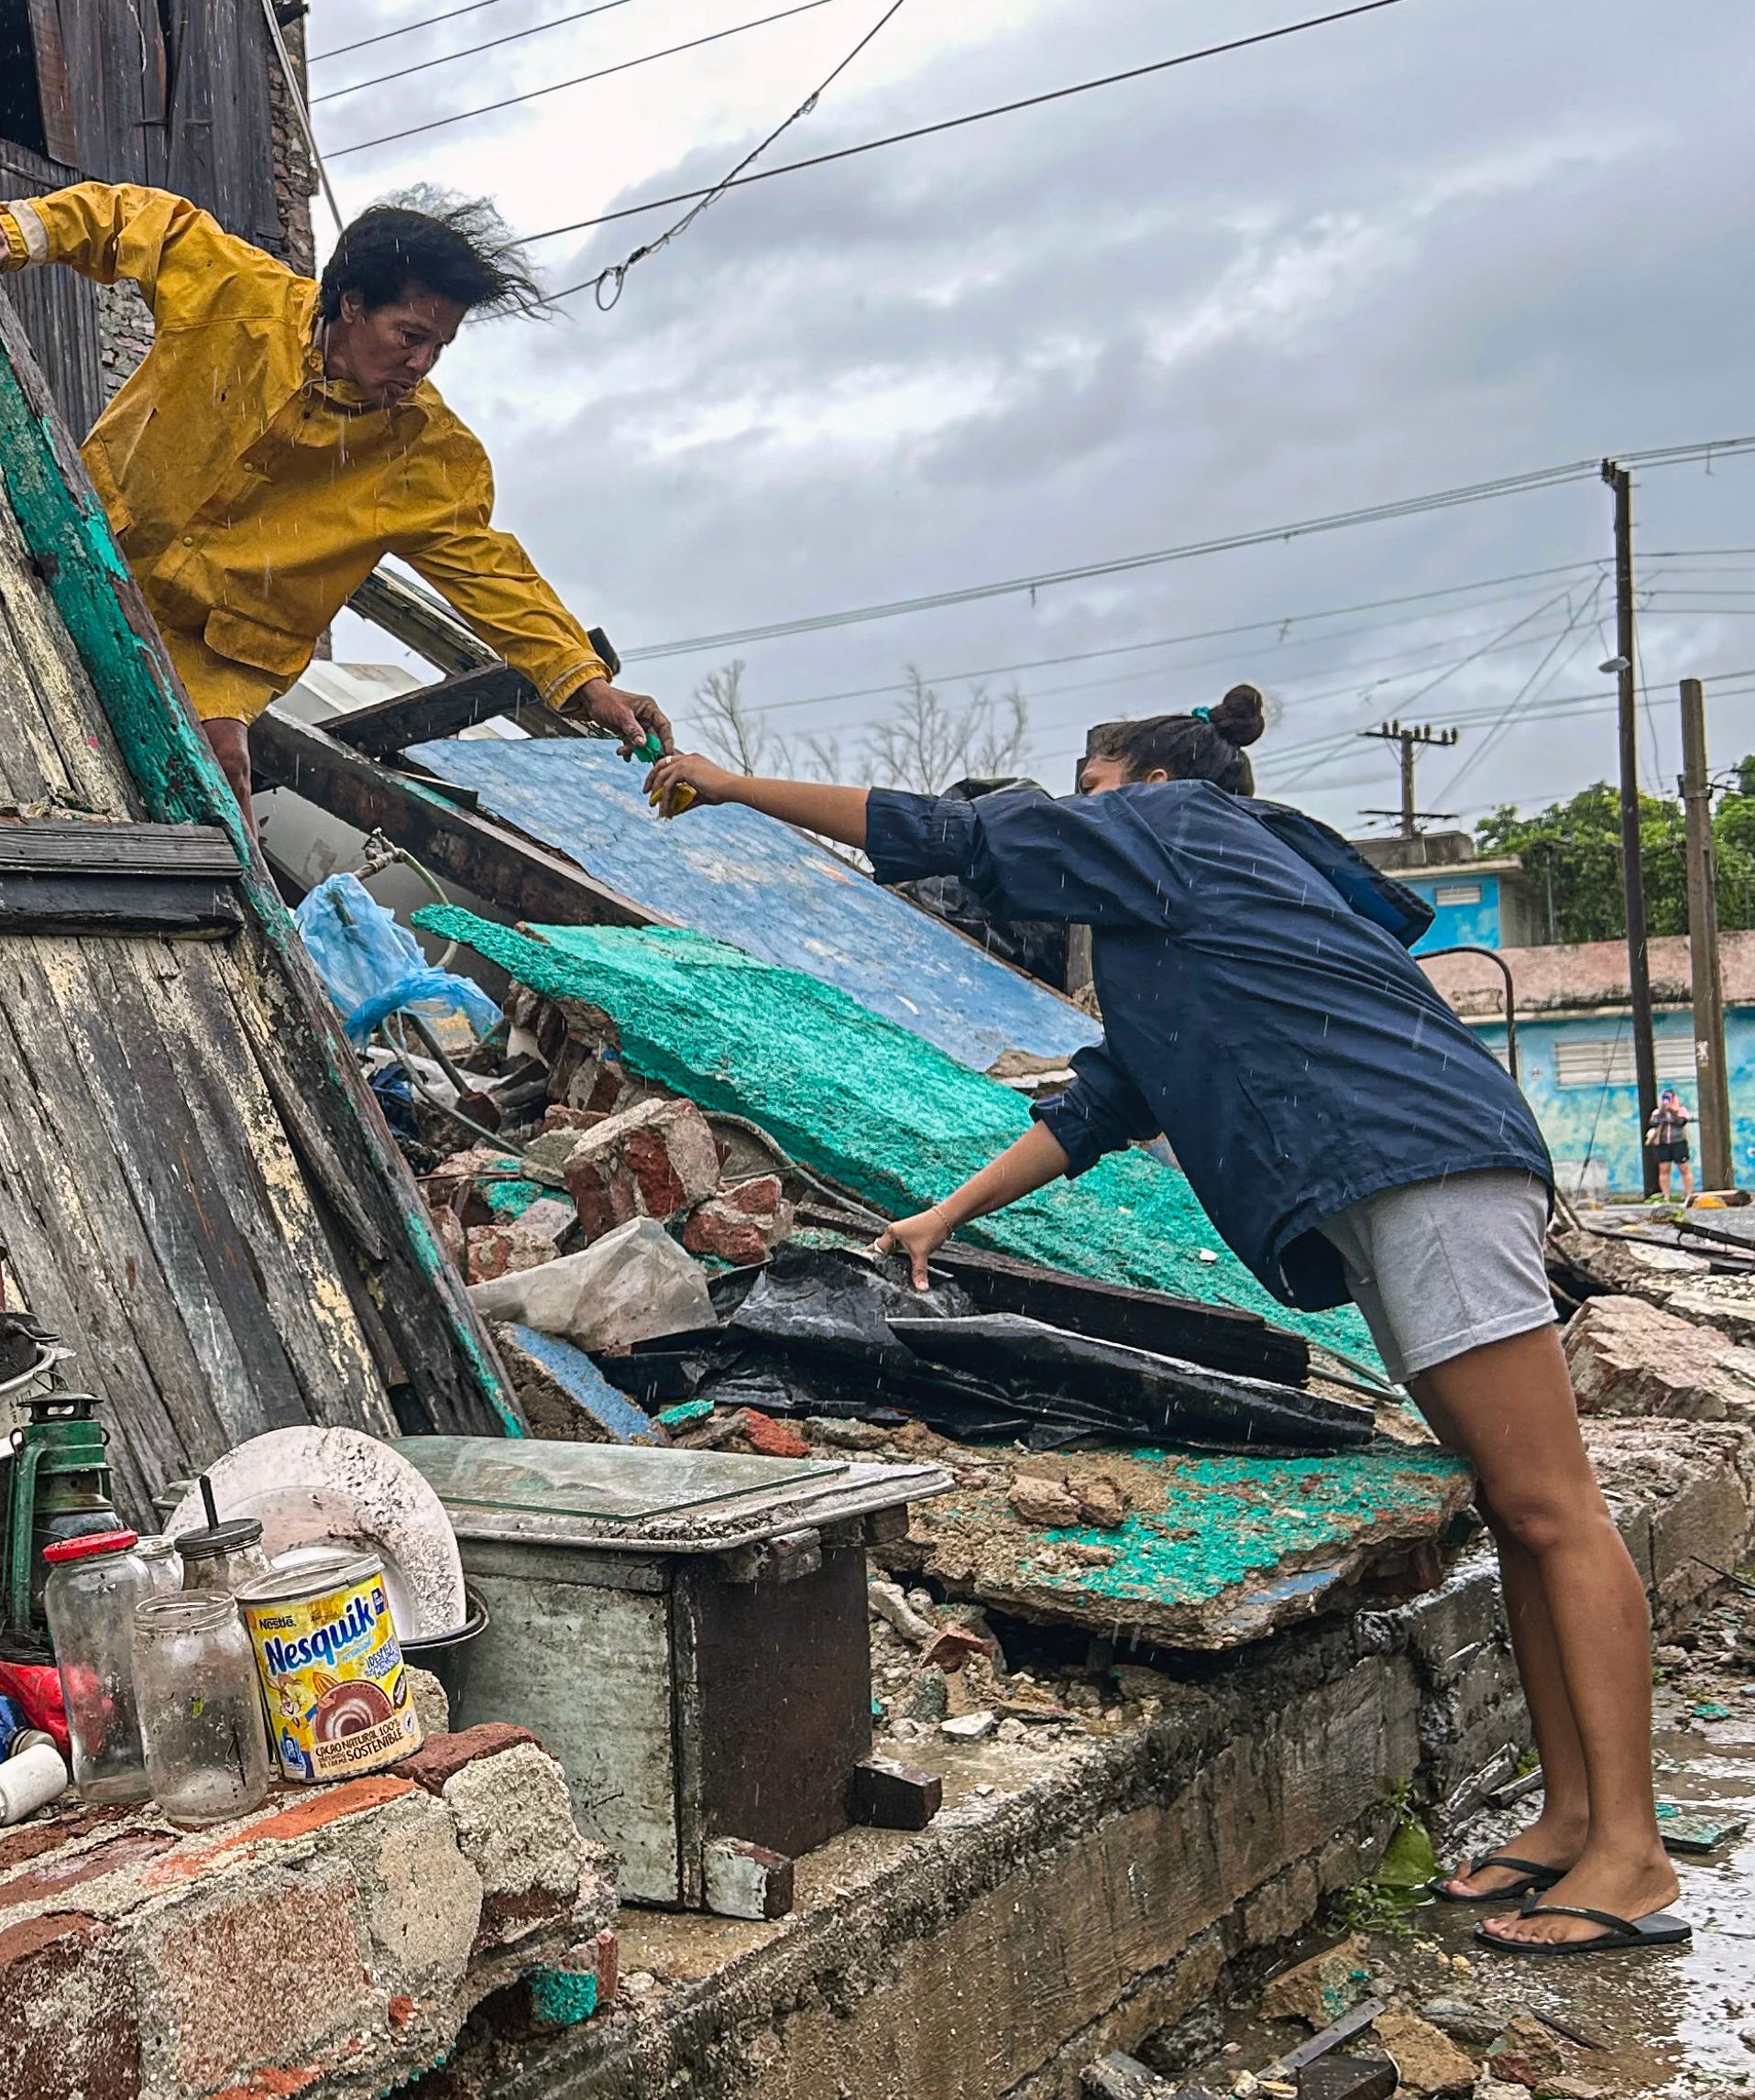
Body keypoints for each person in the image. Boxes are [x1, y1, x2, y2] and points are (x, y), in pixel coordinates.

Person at [642, 687, 1686, 1958]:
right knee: (1517, 1507)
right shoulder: (1182, 923)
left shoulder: (1172, 823)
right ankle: (1571, 1814)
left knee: (1550, 1504)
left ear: (1131, 779)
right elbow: (1095, 1107)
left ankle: (1628, 1856)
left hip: (1416, 1164)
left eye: (1081, 775)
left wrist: (732, 784)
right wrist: (938, 1216)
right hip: (1378, 1177)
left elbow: (951, 832)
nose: (1066, 803)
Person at [0, 183, 666, 810]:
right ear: (351, 304)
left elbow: (492, 573)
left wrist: (582, 682)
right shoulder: (236, 295)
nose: (419, 363)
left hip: (214, 647)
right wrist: (24, 231)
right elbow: (138, 217)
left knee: (217, 775)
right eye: (409, 335)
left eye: (438, 347)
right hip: (98, 542)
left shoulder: (427, 455)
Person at [1645, 1087, 1694, 1198]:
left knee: (1684, 1168)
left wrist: (1672, 1111)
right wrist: (1663, 1112)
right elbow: (1653, 1121)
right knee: (1664, 1169)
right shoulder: (1658, 1112)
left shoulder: (1681, 1111)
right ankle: (1666, 1195)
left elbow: (1681, 1122)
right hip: (1663, 1144)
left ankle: (1689, 1194)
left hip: (1678, 1142)